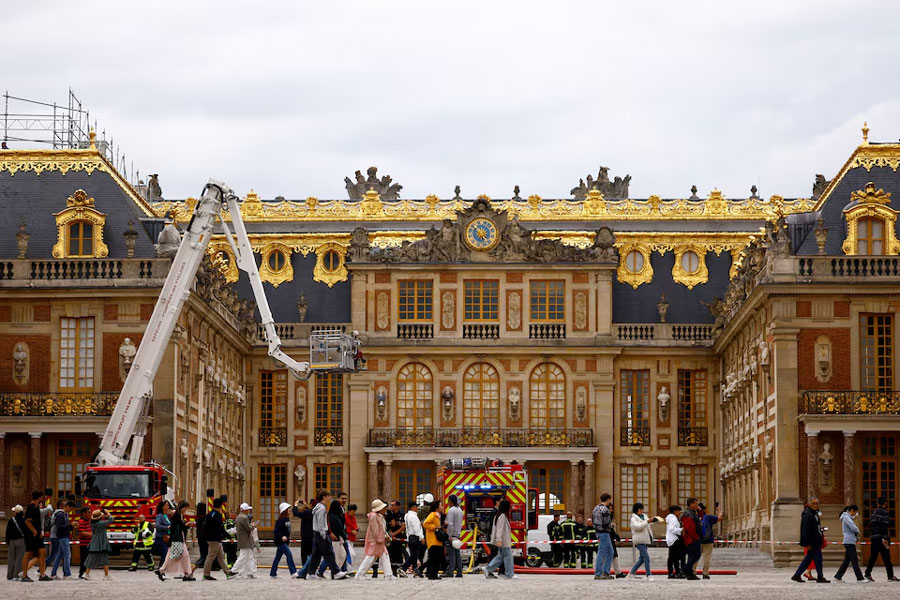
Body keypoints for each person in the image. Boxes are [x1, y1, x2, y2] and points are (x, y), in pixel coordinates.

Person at [296, 489, 346, 579]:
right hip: (321, 533)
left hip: (318, 533)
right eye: (328, 496)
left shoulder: (319, 507)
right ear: (324, 497)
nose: (330, 498)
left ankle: (311, 573)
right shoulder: (321, 508)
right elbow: (320, 522)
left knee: (316, 554)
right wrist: (323, 534)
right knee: (329, 553)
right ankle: (336, 572)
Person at [791, 497, 829, 583]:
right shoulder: (807, 514)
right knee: (817, 559)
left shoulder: (814, 513)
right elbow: (805, 530)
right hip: (812, 542)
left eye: (817, 503)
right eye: (814, 503)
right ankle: (820, 576)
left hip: (815, 540)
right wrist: (806, 543)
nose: (816, 505)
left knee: (809, 559)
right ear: (809, 504)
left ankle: (797, 575)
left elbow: (816, 527)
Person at [355, 499, 393, 580]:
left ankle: (388, 574)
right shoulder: (374, 516)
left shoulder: (379, 516)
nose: (385, 509)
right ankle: (360, 573)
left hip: (379, 540)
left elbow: (382, 529)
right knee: (371, 556)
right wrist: (381, 538)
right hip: (376, 540)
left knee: (384, 556)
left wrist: (385, 536)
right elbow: (375, 530)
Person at [158, 500, 195, 581]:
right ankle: (187, 573)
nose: (186, 510)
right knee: (184, 555)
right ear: (182, 507)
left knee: (175, 555)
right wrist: (186, 525)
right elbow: (177, 527)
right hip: (177, 538)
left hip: (178, 538)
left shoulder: (179, 515)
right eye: (185, 508)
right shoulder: (177, 515)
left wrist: (186, 525)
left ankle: (162, 570)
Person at [864, 496, 897, 582]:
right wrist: (885, 538)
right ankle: (890, 576)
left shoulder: (873, 513)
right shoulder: (885, 513)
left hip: (874, 537)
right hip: (882, 538)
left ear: (878, 503)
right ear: (885, 503)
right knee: (887, 558)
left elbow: (870, 525)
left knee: (873, 557)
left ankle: (867, 573)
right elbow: (885, 526)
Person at [627, 503, 662, 580]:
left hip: (645, 539)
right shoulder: (633, 519)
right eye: (641, 509)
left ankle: (631, 573)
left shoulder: (644, 516)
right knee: (646, 557)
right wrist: (648, 521)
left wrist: (653, 521)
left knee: (642, 558)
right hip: (639, 540)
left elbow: (648, 525)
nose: (642, 511)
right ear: (638, 510)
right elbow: (638, 527)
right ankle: (649, 574)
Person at [21, 490, 50, 582]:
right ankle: (24, 575)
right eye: (42, 497)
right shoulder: (31, 507)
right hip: (31, 535)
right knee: (28, 553)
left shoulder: (36, 507)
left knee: (42, 552)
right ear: (39, 497)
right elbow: (27, 521)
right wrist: (34, 532)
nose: (44, 498)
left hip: (37, 535)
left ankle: (42, 574)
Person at [833, 504, 867, 583]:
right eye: (855, 512)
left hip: (850, 541)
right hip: (849, 541)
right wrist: (858, 531)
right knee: (854, 560)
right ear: (851, 510)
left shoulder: (847, 517)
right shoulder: (846, 517)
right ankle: (860, 578)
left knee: (847, 561)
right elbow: (852, 527)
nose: (855, 514)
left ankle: (838, 576)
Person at [204, 497, 235, 580]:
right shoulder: (218, 515)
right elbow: (220, 528)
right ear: (221, 506)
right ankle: (206, 574)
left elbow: (205, 527)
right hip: (215, 539)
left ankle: (228, 573)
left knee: (221, 556)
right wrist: (229, 537)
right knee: (210, 557)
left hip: (212, 538)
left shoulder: (209, 514)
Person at [483, 499, 515, 579]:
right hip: (503, 541)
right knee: (508, 557)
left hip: (502, 541)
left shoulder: (498, 515)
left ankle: (488, 569)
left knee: (501, 556)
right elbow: (500, 529)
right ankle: (509, 574)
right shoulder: (503, 516)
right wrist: (499, 540)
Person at [315, 499, 348, 577]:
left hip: (337, 538)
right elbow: (338, 528)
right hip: (334, 539)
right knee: (333, 556)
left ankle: (336, 571)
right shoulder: (332, 517)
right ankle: (335, 573)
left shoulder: (334, 515)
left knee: (342, 555)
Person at [83, 509, 114, 580]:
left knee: (91, 558)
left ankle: (86, 573)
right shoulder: (100, 523)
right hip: (102, 542)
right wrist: (108, 513)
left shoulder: (92, 523)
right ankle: (106, 575)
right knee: (105, 559)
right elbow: (111, 520)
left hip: (94, 541)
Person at [50, 500, 75, 579]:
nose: (71, 511)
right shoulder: (61, 515)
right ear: (67, 506)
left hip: (63, 536)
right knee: (67, 556)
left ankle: (53, 573)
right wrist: (70, 526)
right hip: (63, 537)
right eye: (71, 508)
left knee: (59, 556)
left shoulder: (65, 514)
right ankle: (67, 574)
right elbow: (59, 526)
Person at [270, 502, 296, 577]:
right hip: (280, 542)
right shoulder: (280, 520)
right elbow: (276, 531)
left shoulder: (287, 519)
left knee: (277, 558)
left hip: (285, 541)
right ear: (285, 510)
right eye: (288, 509)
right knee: (289, 555)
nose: (290, 510)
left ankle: (273, 573)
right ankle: (293, 572)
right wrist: (282, 536)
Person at [231, 502, 257, 578]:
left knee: (249, 556)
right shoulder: (244, 518)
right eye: (248, 509)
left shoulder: (238, 517)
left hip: (241, 539)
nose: (248, 511)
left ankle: (251, 572)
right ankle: (233, 571)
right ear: (245, 510)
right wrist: (253, 526)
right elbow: (248, 528)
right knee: (243, 556)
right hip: (246, 540)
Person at [421, 499, 445, 580]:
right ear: (437, 507)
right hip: (433, 540)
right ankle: (430, 573)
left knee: (437, 559)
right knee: (433, 558)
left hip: (438, 541)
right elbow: (425, 523)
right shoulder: (433, 514)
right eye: (441, 505)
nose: (442, 507)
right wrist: (435, 527)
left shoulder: (438, 516)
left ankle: (433, 573)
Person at [592, 492, 614, 579]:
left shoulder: (596, 508)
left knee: (609, 551)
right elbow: (607, 523)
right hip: (604, 532)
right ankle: (599, 573)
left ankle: (605, 571)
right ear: (608, 499)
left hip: (598, 531)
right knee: (603, 552)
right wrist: (611, 526)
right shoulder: (605, 510)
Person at [699, 502, 723, 579]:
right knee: (707, 557)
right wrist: (719, 511)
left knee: (695, 557)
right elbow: (719, 518)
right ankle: (705, 573)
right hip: (708, 540)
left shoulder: (694, 517)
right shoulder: (708, 517)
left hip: (697, 540)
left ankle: (692, 571)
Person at [681, 497, 702, 580]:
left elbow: (701, 518)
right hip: (691, 538)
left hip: (694, 537)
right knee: (696, 554)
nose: (697, 506)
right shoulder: (688, 514)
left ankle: (689, 573)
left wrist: (700, 511)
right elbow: (690, 527)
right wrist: (696, 537)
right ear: (691, 504)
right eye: (696, 504)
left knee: (692, 555)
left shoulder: (693, 513)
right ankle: (686, 569)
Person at [401, 501, 423, 576]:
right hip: (415, 537)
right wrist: (421, 537)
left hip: (410, 537)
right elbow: (417, 528)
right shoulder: (414, 517)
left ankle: (415, 570)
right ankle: (403, 568)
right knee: (414, 556)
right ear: (413, 507)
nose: (417, 508)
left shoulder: (407, 516)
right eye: (416, 507)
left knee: (414, 554)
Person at [444, 494, 464, 578]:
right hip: (457, 534)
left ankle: (450, 571)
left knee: (451, 554)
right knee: (457, 554)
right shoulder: (460, 510)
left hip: (452, 535)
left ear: (450, 501)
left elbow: (450, 524)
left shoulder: (451, 510)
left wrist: (449, 535)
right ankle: (459, 571)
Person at [6, 504, 26, 581]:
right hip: (21, 540)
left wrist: (7, 540)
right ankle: (16, 575)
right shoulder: (24, 520)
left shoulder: (11, 520)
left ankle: (10, 575)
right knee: (19, 558)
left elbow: (8, 532)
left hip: (12, 540)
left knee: (11, 558)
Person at [386, 500, 407, 575]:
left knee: (399, 554)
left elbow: (403, 527)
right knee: (391, 554)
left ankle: (400, 571)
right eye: (391, 505)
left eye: (393, 505)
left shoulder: (401, 515)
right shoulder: (389, 515)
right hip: (390, 538)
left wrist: (394, 534)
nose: (391, 507)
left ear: (398, 506)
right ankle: (393, 572)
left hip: (399, 538)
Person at [293, 498, 315, 564]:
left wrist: (295, 505)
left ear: (311, 505)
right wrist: (306, 505)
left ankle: (304, 568)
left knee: (304, 554)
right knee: (311, 553)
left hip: (306, 536)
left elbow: (296, 513)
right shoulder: (315, 512)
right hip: (313, 535)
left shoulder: (307, 513)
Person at [665, 505, 684, 578]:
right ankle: (674, 572)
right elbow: (672, 529)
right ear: (675, 511)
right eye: (679, 511)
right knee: (674, 557)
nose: (679, 513)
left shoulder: (671, 518)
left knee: (673, 557)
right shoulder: (673, 519)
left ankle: (673, 572)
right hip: (674, 539)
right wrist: (681, 529)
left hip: (671, 539)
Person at [75, 506, 93, 579]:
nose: (90, 514)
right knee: (84, 559)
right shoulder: (81, 522)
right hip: (84, 544)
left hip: (89, 543)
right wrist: (93, 535)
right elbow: (82, 532)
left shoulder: (89, 521)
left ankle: (86, 573)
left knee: (88, 559)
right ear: (83, 513)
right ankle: (81, 573)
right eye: (88, 512)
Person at [153, 500, 171, 570]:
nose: (168, 506)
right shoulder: (159, 516)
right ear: (163, 507)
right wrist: (167, 527)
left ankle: (162, 566)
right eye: (166, 505)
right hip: (161, 537)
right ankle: (161, 567)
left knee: (166, 552)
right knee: (165, 552)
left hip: (167, 537)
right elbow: (157, 526)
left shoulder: (166, 516)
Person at [191, 502, 208, 575]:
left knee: (203, 553)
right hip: (204, 537)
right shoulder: (204, 518)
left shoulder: (198, 518)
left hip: (200, 538)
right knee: (205, 555)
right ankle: (195, 566)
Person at [345, 503, 359, 568]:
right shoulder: (345, 517)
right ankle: (349, 569)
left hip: (351, 538)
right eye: (353, 511)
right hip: (347, 538)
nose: (354, 513)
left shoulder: (353, 518)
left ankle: (348, 569)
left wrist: (356, 529)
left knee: (348, 554)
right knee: (351, 554)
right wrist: (351, 531)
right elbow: (345, 528)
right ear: (349, 511)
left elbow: (355, 526)